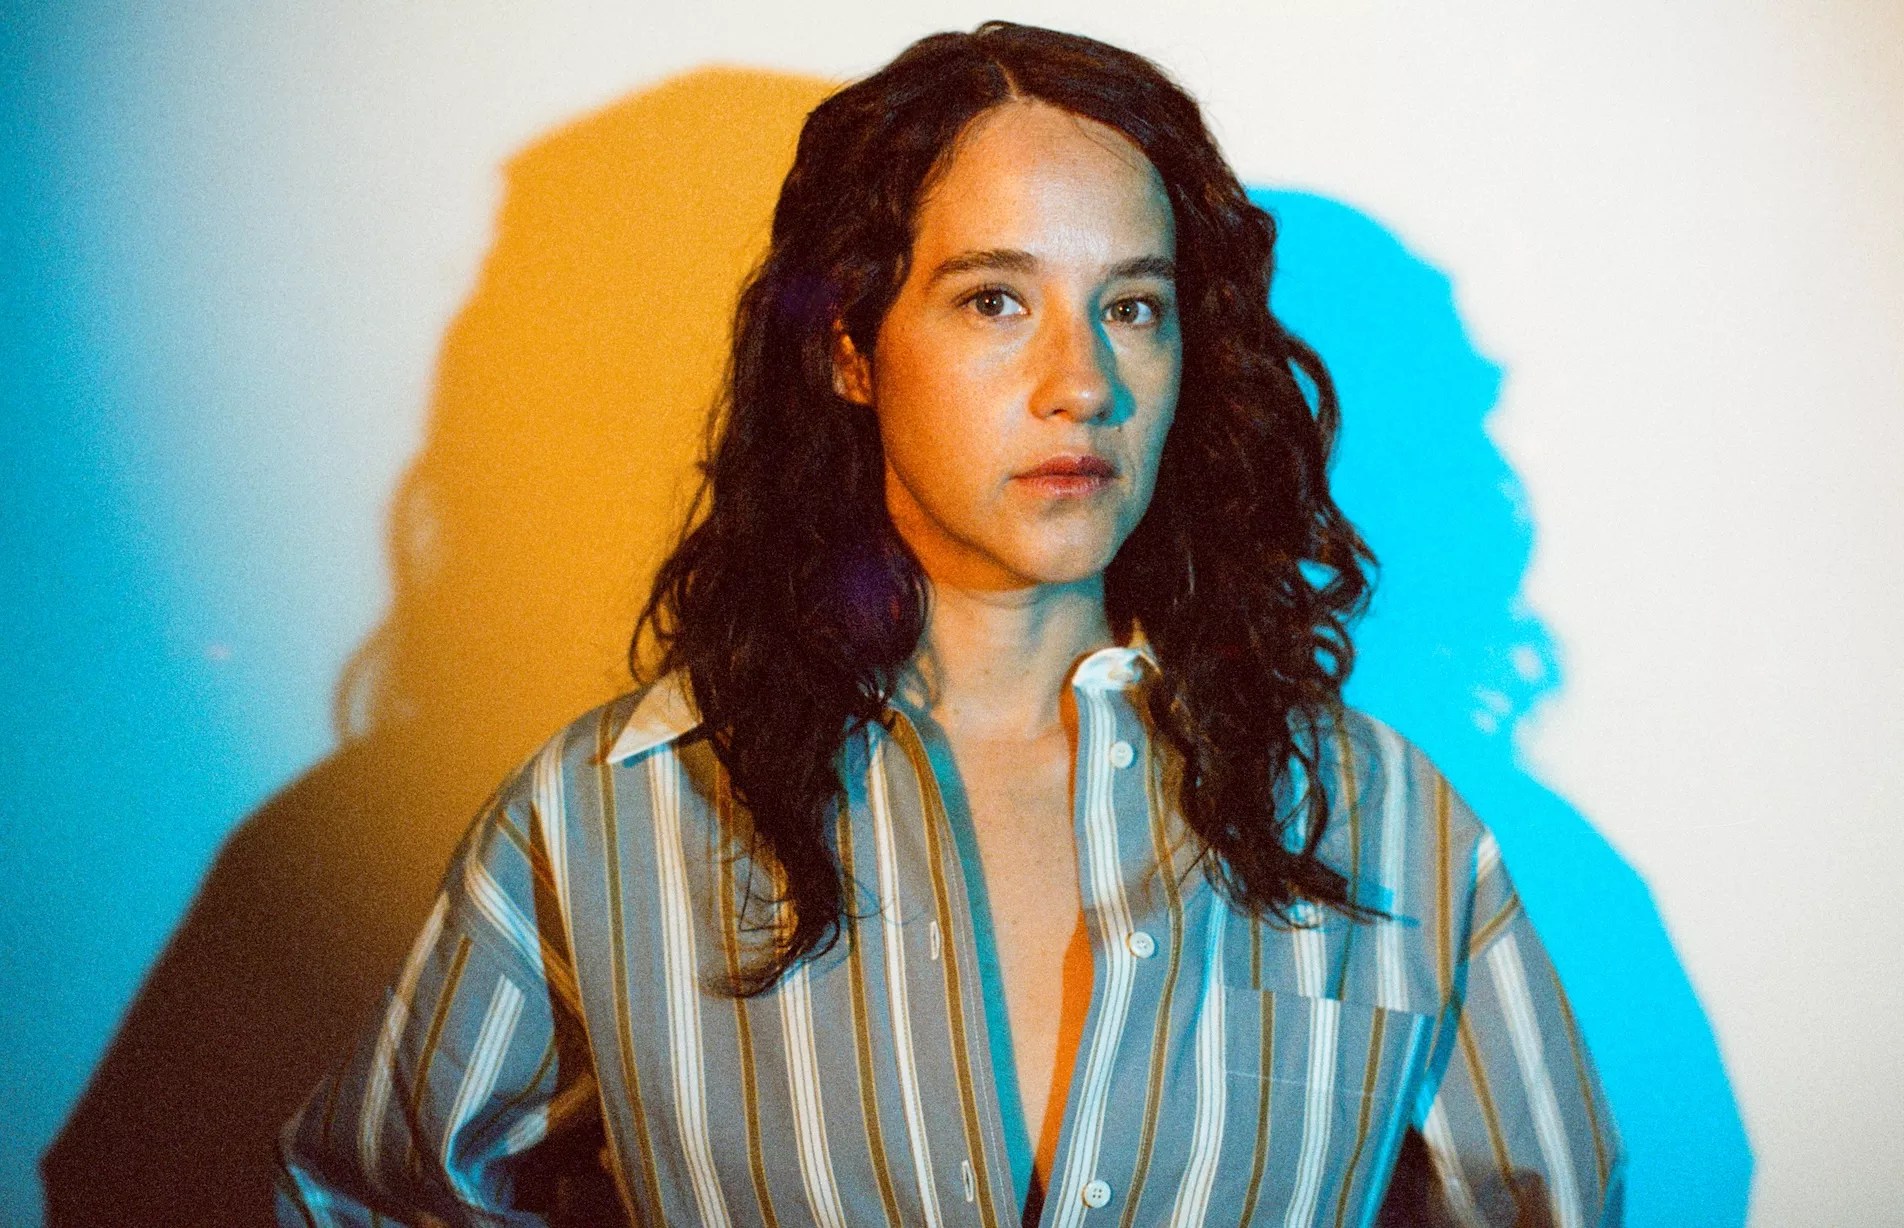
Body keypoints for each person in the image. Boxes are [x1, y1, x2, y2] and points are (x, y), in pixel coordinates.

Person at [278, 21, 1623, 1228]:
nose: (1082, 382)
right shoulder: (604, 819)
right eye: (996, 300)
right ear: (851, 348)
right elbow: (367, 1203)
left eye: (1132, 308)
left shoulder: (1378, 819)